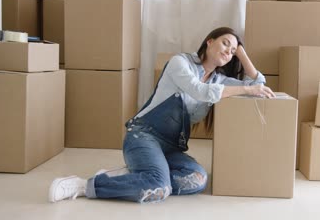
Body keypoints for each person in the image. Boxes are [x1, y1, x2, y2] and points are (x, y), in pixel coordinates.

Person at [48, 27, 275, 204]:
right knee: (159, 187)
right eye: (225, 43)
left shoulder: (219, 80)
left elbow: (258, 83)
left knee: (198, 179)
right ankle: (85, 186)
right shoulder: (180, 63)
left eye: (232, 51)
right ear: (209, 41)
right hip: (142, 136)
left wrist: (241, 52)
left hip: (171, 147)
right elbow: (200, 90)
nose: (228, 51)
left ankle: (136, 174)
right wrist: (246, 88)